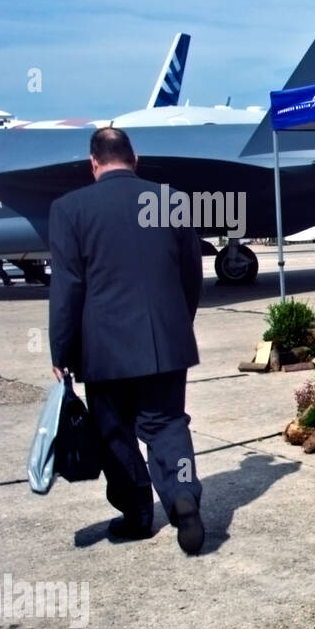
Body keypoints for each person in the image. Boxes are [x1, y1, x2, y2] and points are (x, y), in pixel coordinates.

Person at [48, 127, 206, 554]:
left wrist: (61, 350)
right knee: (167, 424)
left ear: (93, 163)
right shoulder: (170, 201)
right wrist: (178, 324)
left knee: (113, 433)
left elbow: (68, 287)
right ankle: (182, 494)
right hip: (165, 340)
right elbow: (191, 273)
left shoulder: (69, 210)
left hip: (104, 350)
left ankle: (137, 515)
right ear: (134, 160)